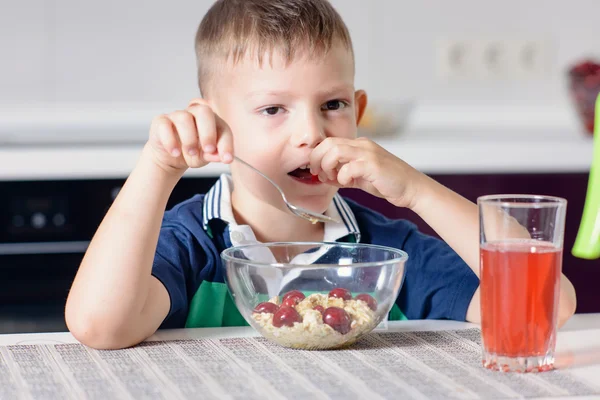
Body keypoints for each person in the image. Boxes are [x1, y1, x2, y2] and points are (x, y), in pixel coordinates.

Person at [65, 0, 577, 349]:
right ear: (215, 122)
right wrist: (158, 166)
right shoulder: (191, 243)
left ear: (358, 109)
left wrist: (417, 191)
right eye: (273, 109)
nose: (311, 132)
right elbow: (99, 326)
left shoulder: (386, 253)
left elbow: (542, 309)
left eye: (331, 104)